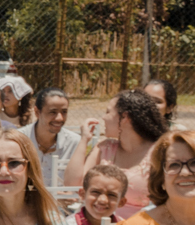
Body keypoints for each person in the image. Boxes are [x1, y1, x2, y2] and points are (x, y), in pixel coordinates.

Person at [65, 89, 166, 217]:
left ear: (125, 117)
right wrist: (84, 139)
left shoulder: (158, 152)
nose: (103, 117)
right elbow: (72, 184)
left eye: (108, 112)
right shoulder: (104, 148)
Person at [18, 87, 78, 187]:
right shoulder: (19, 139)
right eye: (52, 112)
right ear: (37, 112)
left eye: (64, 112)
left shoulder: (74, 143)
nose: (59, 118)